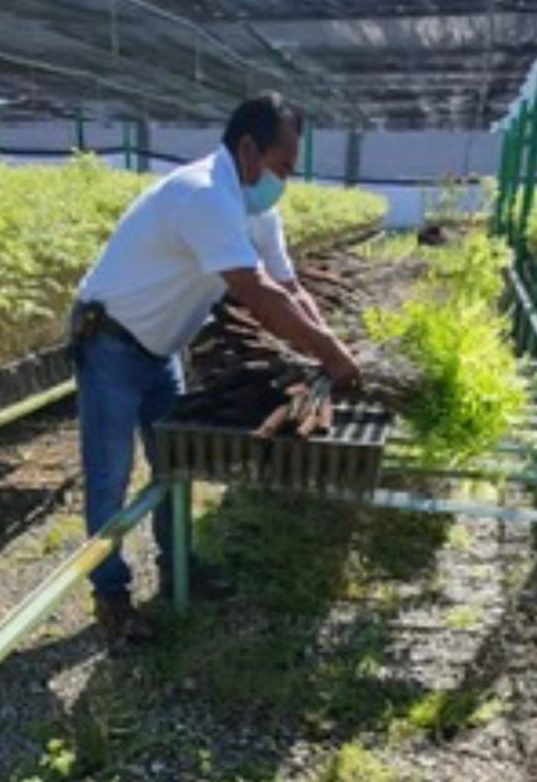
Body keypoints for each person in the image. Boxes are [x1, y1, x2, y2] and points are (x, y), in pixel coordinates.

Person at [69, 92, 362, 644]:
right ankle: (111, 596)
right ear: (247, 149)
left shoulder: (258, 211)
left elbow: (290, 290)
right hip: (109, 345)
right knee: (110, 478)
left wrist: (332, 341)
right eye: (281, 166)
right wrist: (331, 356)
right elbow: (259, 298)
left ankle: (179, 568)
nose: (284, 181)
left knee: (173, 466)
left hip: (158, 350)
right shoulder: (203, 195)